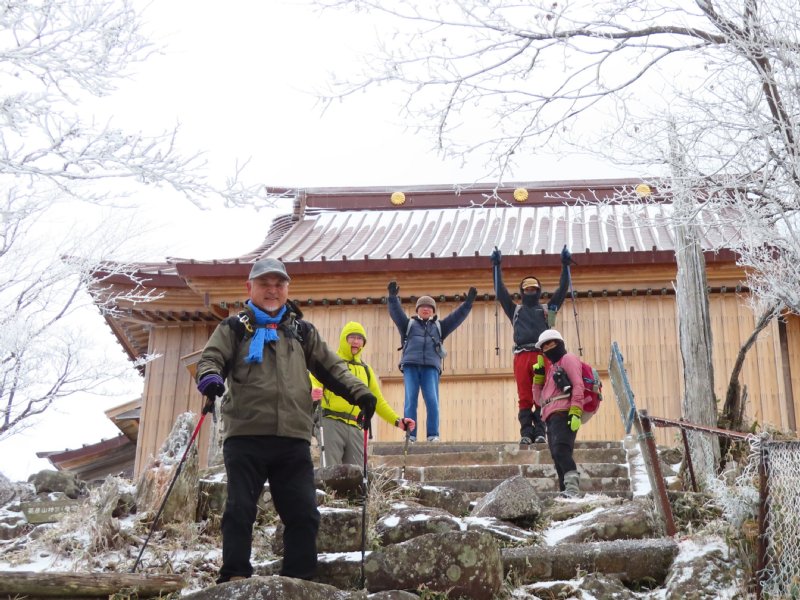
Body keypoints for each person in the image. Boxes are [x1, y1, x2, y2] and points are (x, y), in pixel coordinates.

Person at [195, 258, 378, 584]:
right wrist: (210, 377)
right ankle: (235, 576)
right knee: (239, 509)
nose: (272, 290)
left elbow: (332, 368)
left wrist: (360, 393)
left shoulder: (302, 331)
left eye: (279, 284)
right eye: (264, 284)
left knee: (304, 513)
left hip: (292, 437)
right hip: (246, 434)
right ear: (249, 287)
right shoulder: (234, 327)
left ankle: (298, 580)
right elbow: (211, 357)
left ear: (287, 289)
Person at [490, 245, 572, 445]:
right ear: (522, 291)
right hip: (521, 356)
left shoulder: (547, 309)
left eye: (534, 289)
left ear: (538, 290)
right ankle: (526, 433)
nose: (530, 291)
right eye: (527, 289)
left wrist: (565, 265)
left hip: (542, 355)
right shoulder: (515, 310)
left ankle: (541, 432)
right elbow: (500, 292)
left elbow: (562, 290)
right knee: (525, 396)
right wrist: (496, 266)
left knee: (544, 393)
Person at [310, 321, 415, 466]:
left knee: (357, 474)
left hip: (356, 426)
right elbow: (314, 378)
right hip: (331, 422)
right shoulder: (331, 362)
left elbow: (377, 401)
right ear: (344, 339)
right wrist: (314, 390)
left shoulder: (366, 370)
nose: (356, 341)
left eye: (360, 338)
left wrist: (397, 421)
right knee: (330, 471)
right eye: (351, 337)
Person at [387, 282, 477, 442]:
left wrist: (468, 303)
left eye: (429, 307)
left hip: (431, 367)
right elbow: (396, 313)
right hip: (410, 365)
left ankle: (433, 435)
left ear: (434, 311)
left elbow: (456, 317)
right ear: (417, 310)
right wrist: (392, 298)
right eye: (422, 306)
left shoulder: (440, 327)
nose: (426, 309)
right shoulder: (408, 325)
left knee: (432, 401)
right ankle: (410, 435)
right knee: (410, 401)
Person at [532, 329, 585, 497]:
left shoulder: (568, 359)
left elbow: (578, 385)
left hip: (564, 412)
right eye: (544, 347)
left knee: (562, 450)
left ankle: (572, 490)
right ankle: (565, 492)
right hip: (550, 416)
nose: (547, 348)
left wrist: (575, 411)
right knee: (556, 455)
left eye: (551, 344)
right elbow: (538, 400)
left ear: (560, 343)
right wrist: (538, 378)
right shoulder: (551, 369)